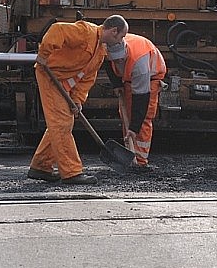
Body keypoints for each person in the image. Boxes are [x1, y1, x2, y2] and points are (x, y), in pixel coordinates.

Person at [28, 14, 129, 185]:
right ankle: (71, 172)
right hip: (49, 74)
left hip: (62, 81)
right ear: (113, 31)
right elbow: (57, 30)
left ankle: (41, 166)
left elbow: (87, 78)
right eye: (122, 36)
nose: (121, 40)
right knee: (61, 124)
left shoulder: (99, 52)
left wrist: (77, 100)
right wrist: (44, 54)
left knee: (61, 123)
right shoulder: (85, 32)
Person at [106, 33, 167, 167]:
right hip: (127, 79)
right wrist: (117, 84)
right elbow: (108, 65)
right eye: (114, 60)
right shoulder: (108, 47)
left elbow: (141, 99)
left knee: (142, 119)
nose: (117, 62)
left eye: (119, 60)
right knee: (126, 115)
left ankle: (140, 161)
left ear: (125, 54)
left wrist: (133, 128)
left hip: (150, 79)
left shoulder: (140, 64)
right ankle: (130, 155)